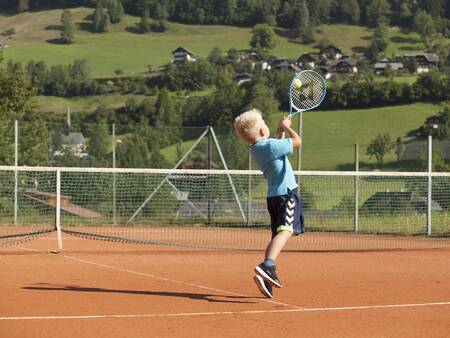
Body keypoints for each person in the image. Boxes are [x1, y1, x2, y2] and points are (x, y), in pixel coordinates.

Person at [234, 108, 304, 298]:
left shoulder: (259, 149)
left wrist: (280, 131)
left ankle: (266, 277)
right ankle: (268, 266)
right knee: (286, 231)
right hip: (287, 194)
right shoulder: (271, 146)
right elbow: (298, 142)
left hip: (273, 197)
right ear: (263, 132)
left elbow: (276, 146)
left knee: (277, 235)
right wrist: (289, 129)